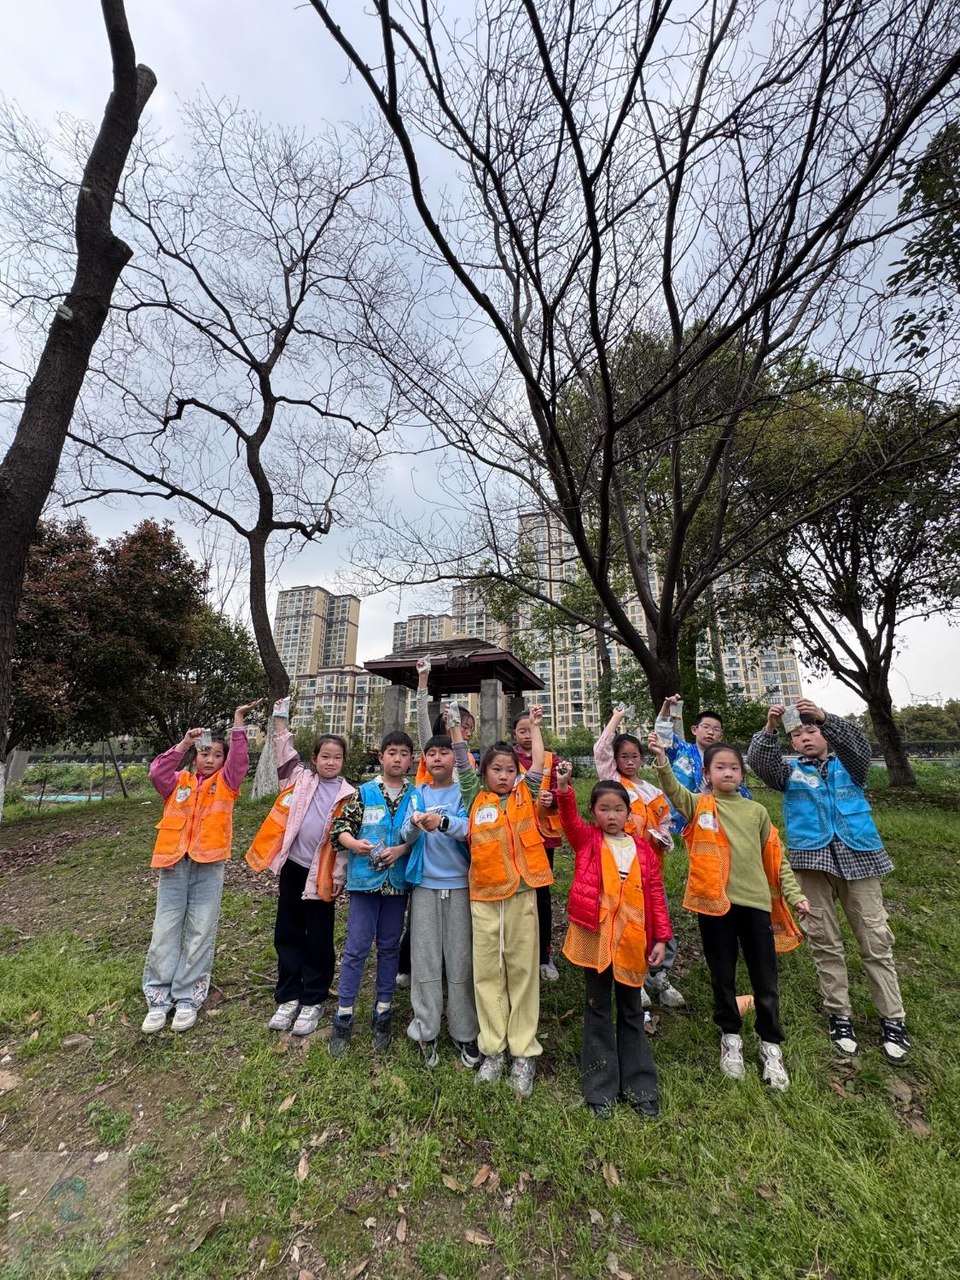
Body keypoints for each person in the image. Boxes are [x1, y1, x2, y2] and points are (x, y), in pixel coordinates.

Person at [747, 700, 910, 1063]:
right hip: (811, 860)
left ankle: (893, 1018)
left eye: (811, 730)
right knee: (824, 940)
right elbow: (760, 762)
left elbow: (857, 744)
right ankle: (840, 1014)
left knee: (875, 939)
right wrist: (770, 728)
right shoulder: (789, 772)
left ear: (824, 733)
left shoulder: (850, 765)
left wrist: (825, 717)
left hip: (859, 857)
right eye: (797, 734)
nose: (804, 738)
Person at [648, 732, 809, 1091]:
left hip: (755, 905)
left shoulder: (757, 812)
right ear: (706, 774)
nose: (728, 773)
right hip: (714, 906)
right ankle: (730, 1036)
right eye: (720, 767)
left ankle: (770, 1044)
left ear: (742, 774)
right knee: (722, 975)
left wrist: (795, 895)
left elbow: (776, 858)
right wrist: (660, 758)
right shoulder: (700, 806)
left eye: (734, 768)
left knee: (765, 978)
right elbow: (673, 790)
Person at [555, 762, 672, 1119]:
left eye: (618, 809)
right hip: (596, 937)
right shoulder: (587, 841)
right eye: (604, 809)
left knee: (632, 1008)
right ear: (594, 813)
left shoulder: (643, 850)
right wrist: (564, 788)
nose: (611, 816)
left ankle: (640, 1086)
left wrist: (661, 937)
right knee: (597, 1007)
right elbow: (569, 821)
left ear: (628, 813)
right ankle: (600, 1088)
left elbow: (655, 895)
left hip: (632, 940)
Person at [142, 700, 261, 1034]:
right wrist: (183, 743)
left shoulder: (227, 783)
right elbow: (156, 772)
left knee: (200, 930)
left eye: (217, 755)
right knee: (165, 929)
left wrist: (238, 722)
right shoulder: (177, 781)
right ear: (195, 756)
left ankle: (187, 997)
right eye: (204, 753)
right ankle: (158, 996)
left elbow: (240, 760)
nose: (210, 759)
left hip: (209, 865)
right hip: (174, 863)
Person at [459, 704, 552, 1097]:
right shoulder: (473, 797)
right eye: (496, 769)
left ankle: (523, 1051)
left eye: (509, 770)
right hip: (484, 896)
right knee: (487, 972)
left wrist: (536, 727)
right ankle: (493, 1049)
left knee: (523, 971)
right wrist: (456, 730)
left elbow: (539, 764)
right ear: (484, 773)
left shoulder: (525, 794)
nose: (503, 775)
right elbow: (461, 761)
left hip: (521, 894)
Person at [246, 703, 356, 1037]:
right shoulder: (299, 780)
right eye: (325, 756)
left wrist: (339, 876)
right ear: (314, 758)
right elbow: (284, 752)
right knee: (288, 932)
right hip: (294, 869)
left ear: (343, 761)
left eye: (337, 757)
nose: (331, 762)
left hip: (322, 874)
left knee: (319, 937)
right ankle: (288, 995)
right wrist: (280, 719)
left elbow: (345, 841)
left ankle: (313, 998)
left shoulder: (349, 795)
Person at [328, 732, 418, 1056]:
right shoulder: (364, 793)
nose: (397, 758)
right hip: (365, 884)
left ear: (411, 760)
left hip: (397, 885)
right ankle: (344, 1014)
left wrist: (401, 849)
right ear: (381, 757)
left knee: (390, 948)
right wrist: (355, 845)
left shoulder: (415, 796)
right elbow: (340, 830)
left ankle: (383, 1010)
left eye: (404, 753)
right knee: (356, 948)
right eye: (391, 752)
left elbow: (420, 837)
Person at [395, 655, 478, 990]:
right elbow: (421, 721)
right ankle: (409, 967)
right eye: (460, 723)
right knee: (419, 919)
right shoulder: (433, 756)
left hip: (455, 852)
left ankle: (454, 977)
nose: (464, 730)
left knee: (458, 925)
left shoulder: (468, 764)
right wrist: (423, 680)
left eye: (469, 727)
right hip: (424, 847)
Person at [401, 729, 480, 1068]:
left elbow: (470, 829)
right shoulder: (416, 794)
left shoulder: (466, 792)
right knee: (425, 959)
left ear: (456, 759)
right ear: (424, 761)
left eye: (443, 753)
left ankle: (465, 1030)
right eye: (431, 753)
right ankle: (425, 1028)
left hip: (461, 885)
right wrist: (415, 824)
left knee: (461, 959)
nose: (436, 758)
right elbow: (405, 834)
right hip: (425, 886)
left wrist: (443, 821)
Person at [594, 705, 680, 1009]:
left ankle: (660, 973)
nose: (629, 762)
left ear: (642, 758)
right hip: (621, 867)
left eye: (634, 756)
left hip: (652, 867)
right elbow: (600, 749)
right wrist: (617, 716)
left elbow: (666, 820)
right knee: (630, 921)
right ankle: (636, 976)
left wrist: (664, 837)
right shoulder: (614, 783)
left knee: (658, 916)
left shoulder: (652, 790)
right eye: (623, 757)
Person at [512, 710, 563, 982]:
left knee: (541, 894)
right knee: (516, 891)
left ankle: (544, 954)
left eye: (530, 730)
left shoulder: (552, 759)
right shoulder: (507, 758)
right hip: (514, 834)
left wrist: (552, 798)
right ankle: (518, 951)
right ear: (514, 734)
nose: (527, 736)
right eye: (522, 731)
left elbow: (563, 789)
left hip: (543, 837)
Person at [657, 696, 751, 832]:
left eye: (716, 729)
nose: (710, 732)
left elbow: (739, 790)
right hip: (679, 818)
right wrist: (666, 707)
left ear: (721, 736)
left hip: (715, 818)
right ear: (694, 730)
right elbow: (663, 735)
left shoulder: (726, 759)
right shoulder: (682, 750)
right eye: (706, 727)